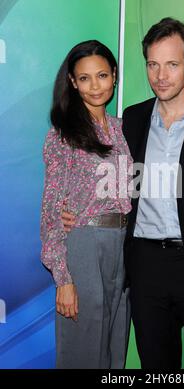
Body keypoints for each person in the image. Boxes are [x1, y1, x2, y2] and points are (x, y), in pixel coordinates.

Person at [63, 18, 184, 369]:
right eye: (153, 65)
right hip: (146, 268)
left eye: (172, 64)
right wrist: (73, 212)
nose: (161, 75)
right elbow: (110, 183)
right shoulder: (132, 120)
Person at [40, 40, 132, 369]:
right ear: (72, 82)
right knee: (83, 351)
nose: (95, 86)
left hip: (124, 246)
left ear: (115, 76)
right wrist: (63, 279)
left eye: (102, 75)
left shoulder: (125, 130)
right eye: (85, 78)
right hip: (84, 244)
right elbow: (52, 208)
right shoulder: (62, 136)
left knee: (115, 345)